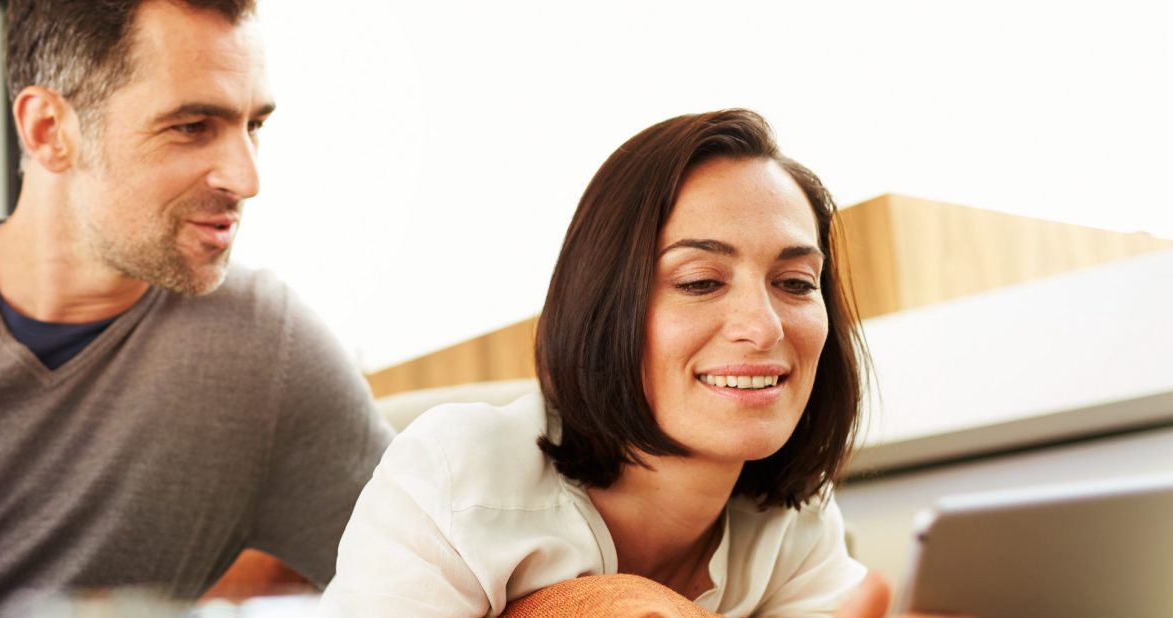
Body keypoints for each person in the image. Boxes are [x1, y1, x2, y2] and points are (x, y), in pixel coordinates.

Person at [320, 109, 939, 617]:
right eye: (700, 281)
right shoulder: (455, 477)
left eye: (796, 282)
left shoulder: (794, 523)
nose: (764, 326)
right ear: (603, 306)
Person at [0, 1, 393, 616]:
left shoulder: (265, 352)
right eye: (193, 126)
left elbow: (439, 568)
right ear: (48, 130)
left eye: (254, 127)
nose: (247, 179)